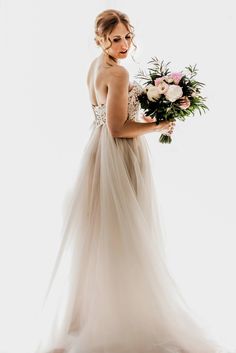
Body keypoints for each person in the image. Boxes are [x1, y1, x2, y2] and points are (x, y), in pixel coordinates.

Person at [34, 9, 230, 353]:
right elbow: (119, 127)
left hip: (97, 152)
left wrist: (159, 102)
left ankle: (99, 313)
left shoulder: (96, 66)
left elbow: (109, 115)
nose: (125, 44)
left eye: (127, 36)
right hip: (120, 154)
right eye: (115, 39)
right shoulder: (119, 73)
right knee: (128, 233)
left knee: (106, 234)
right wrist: (158, 127)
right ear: (101, 40)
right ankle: (127, 315)